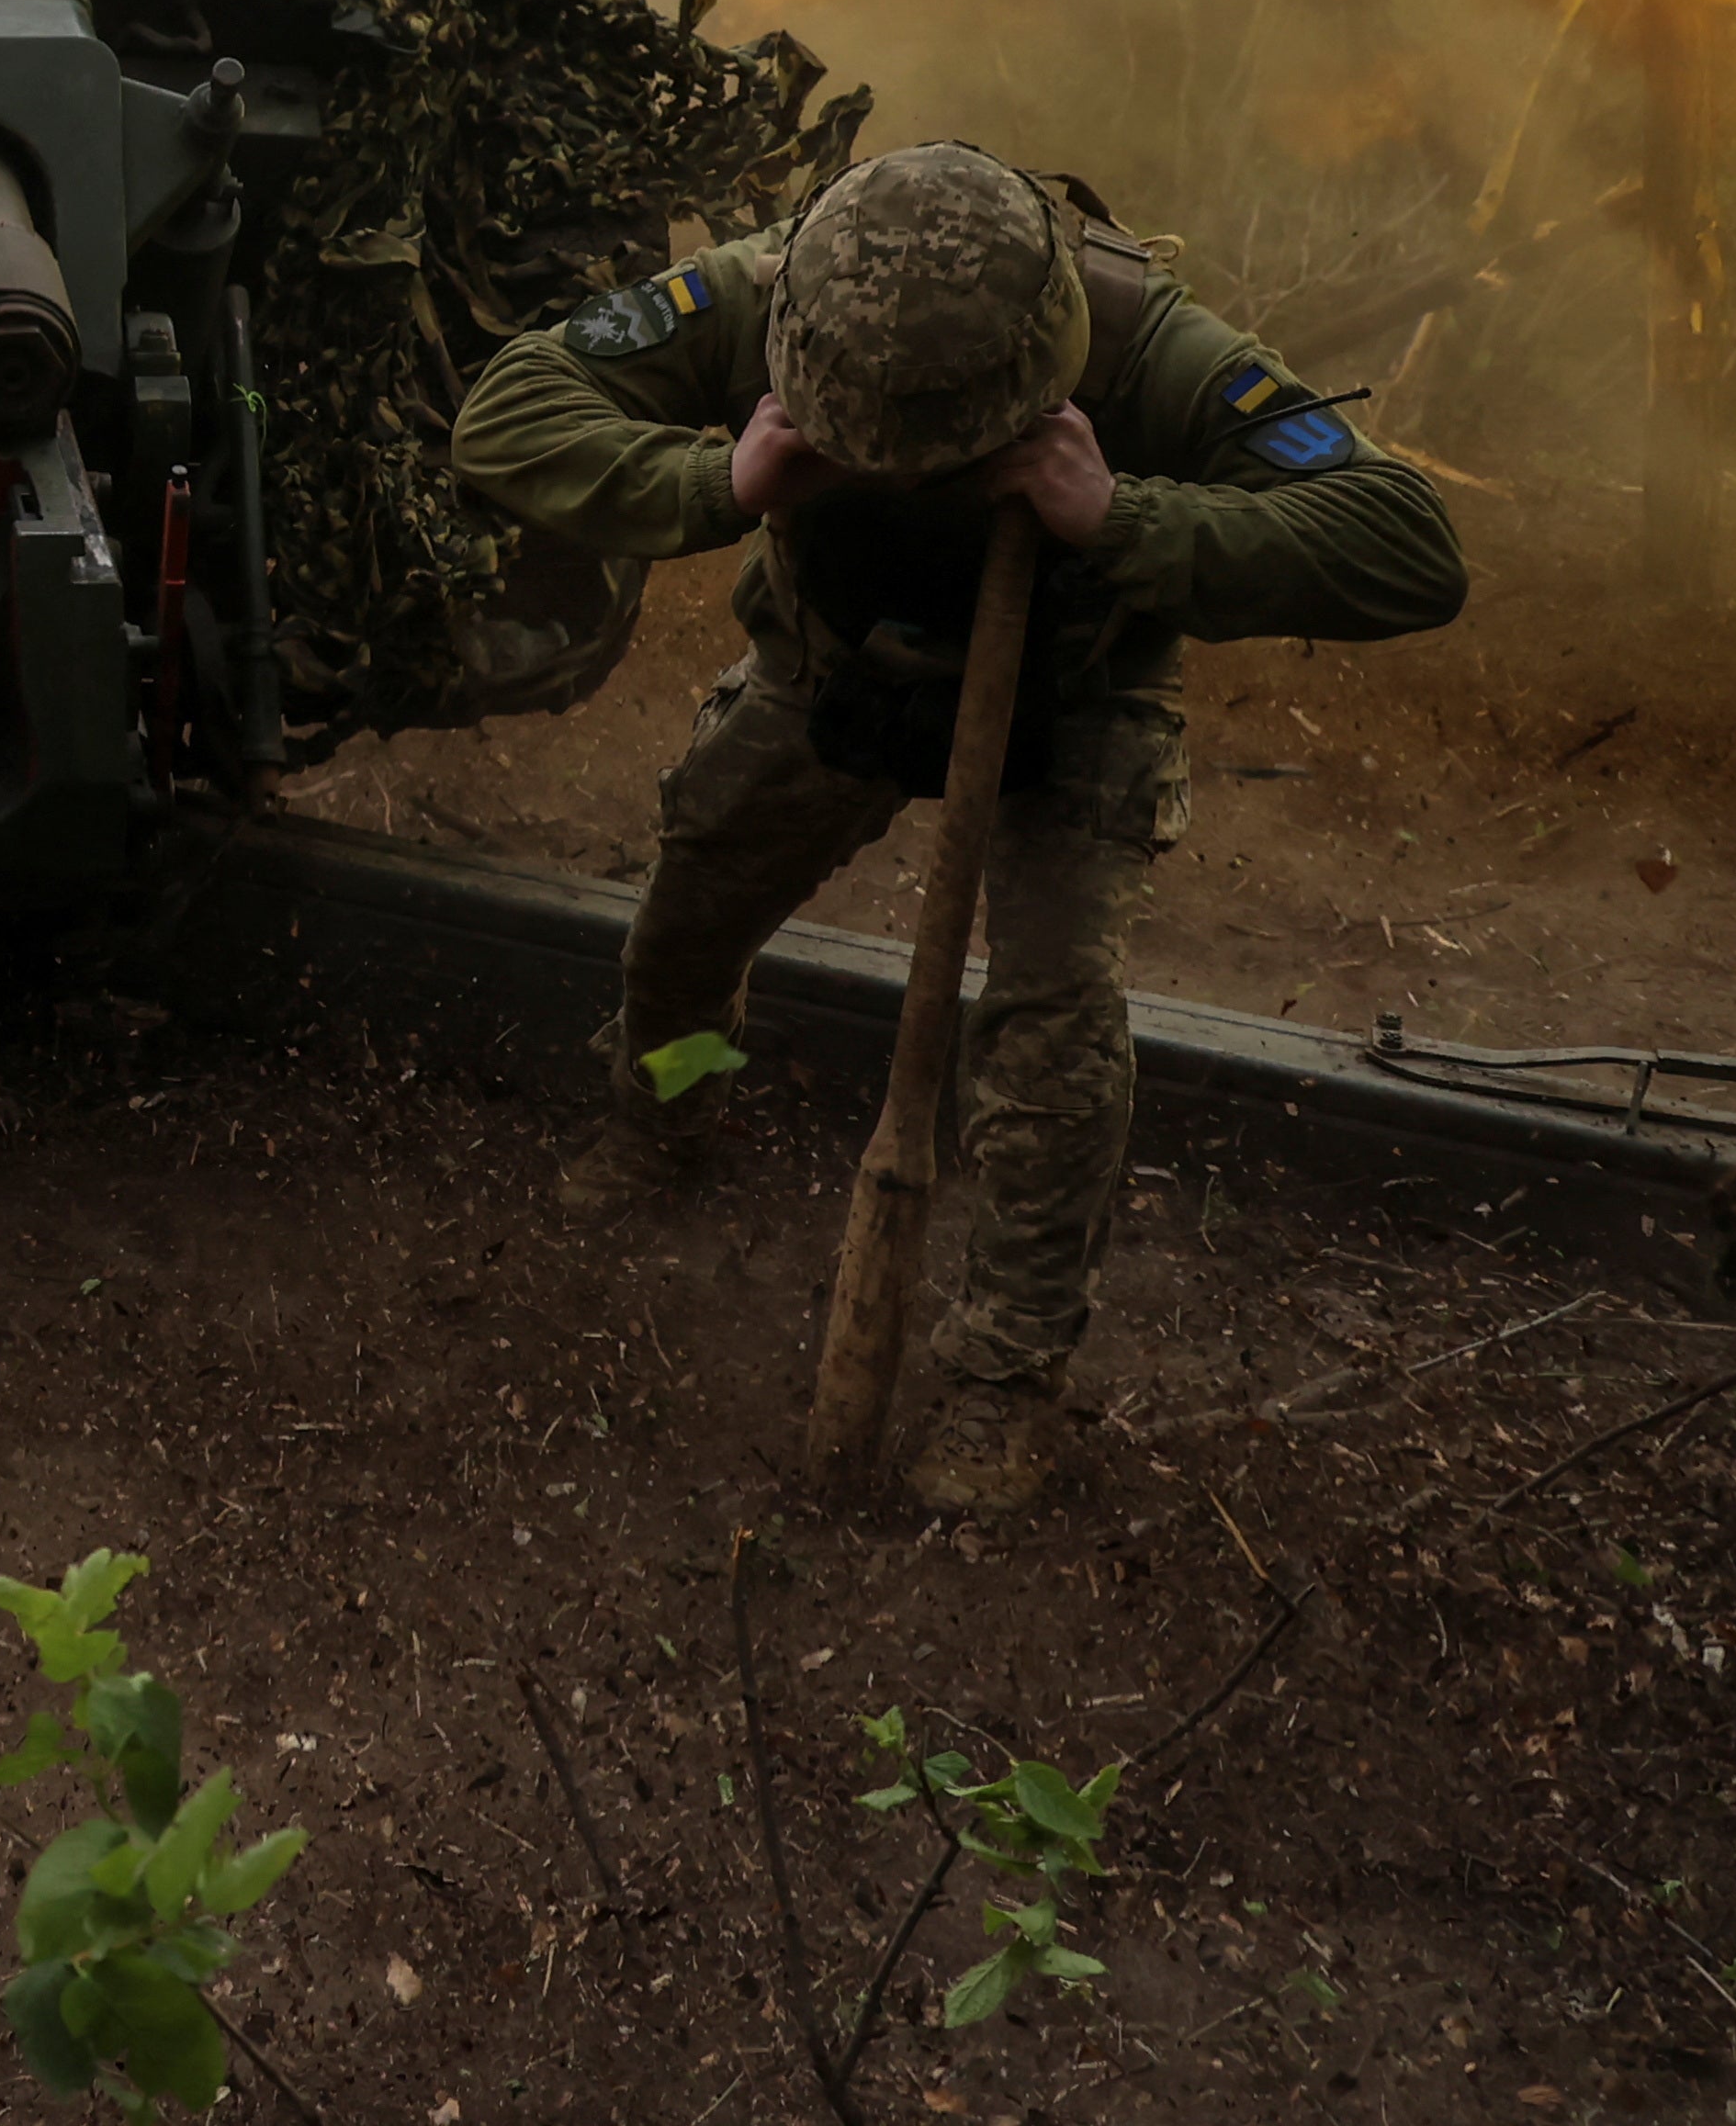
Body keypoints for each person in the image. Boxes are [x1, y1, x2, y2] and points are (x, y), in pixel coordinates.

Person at [449, 141, 1465, 1514]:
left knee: (1052, 1025)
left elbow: (1406, 542)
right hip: (833, 664)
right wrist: (717, 487)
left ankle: (1004, 1375)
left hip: (1074, 699)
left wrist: (1125, 515)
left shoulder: (1144, 341)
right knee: (696, 895)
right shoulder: (774, 289)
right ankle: (661, 1123)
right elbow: (511, 409)